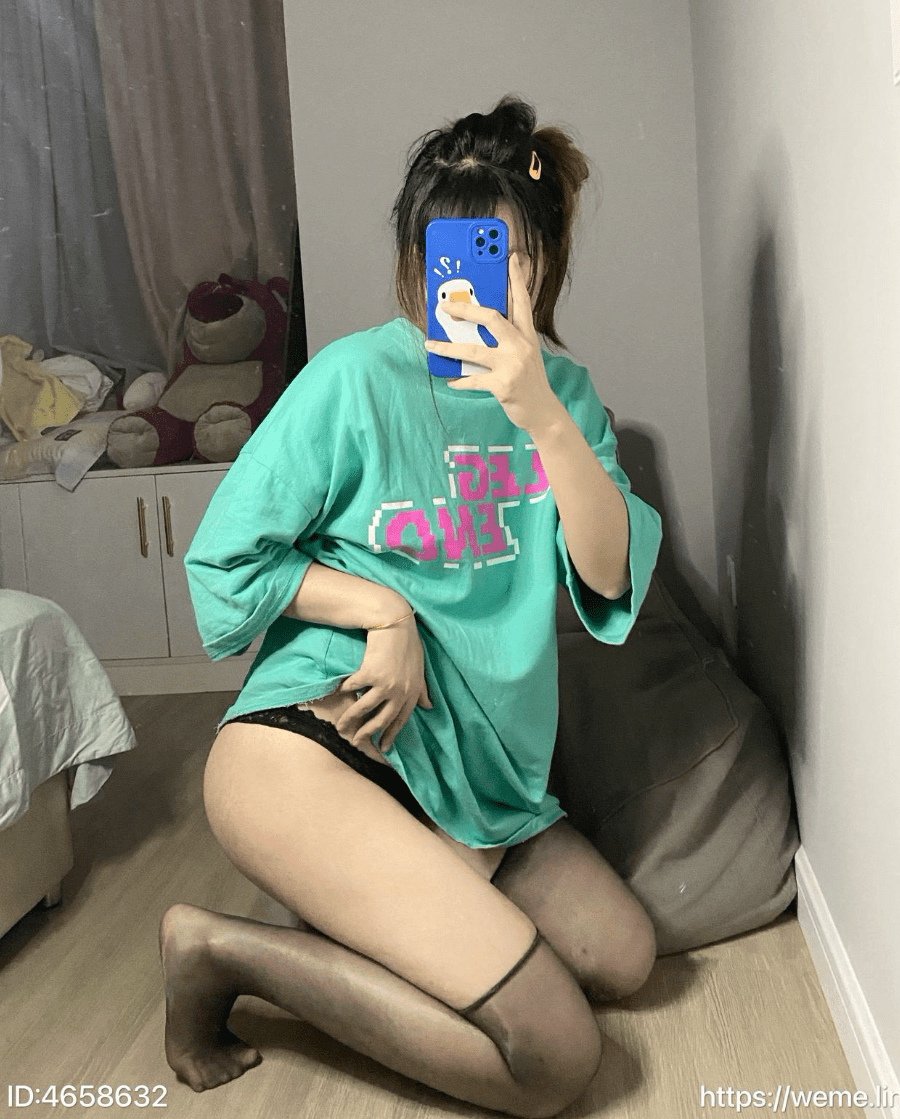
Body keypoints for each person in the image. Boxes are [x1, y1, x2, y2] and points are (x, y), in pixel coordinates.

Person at [161, 95, 663, 1118]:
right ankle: (218, 950)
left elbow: (608, 577)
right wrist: (383, 612)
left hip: (475, 775)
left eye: (504, 253)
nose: (474, 282)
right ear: (417, 258)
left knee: (624, 957)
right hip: (318, 739)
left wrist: (540, 414)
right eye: (453, 253)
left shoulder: (566, 397)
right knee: (557, 1058)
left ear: (543, 263)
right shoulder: (352, 379)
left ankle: (352, 909)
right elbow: (222, 563)